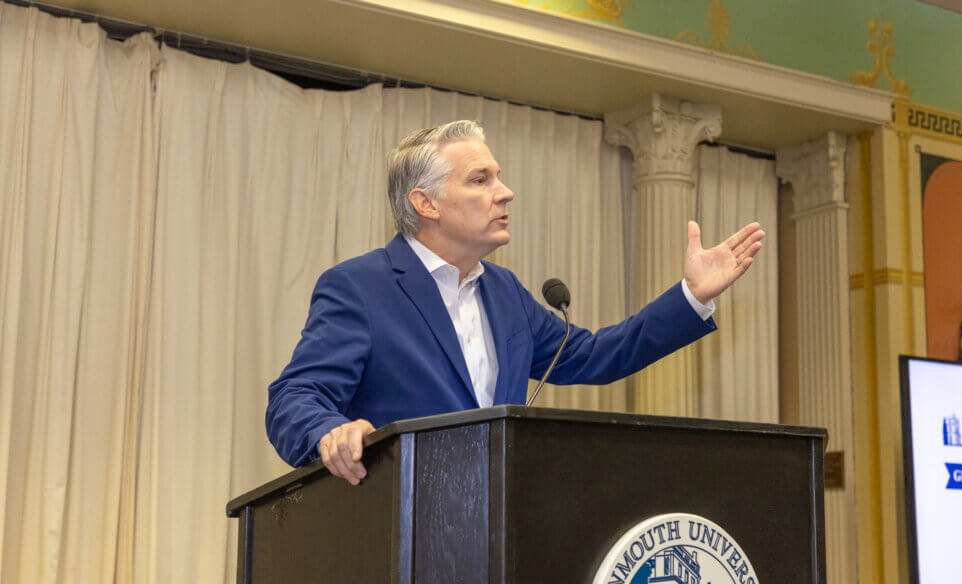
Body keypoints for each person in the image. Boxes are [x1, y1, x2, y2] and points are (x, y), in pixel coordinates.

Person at [266, 120, 763, 484]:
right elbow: (293, 398)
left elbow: (595, 355)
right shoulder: (360, 287)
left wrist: (690, 298)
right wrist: (331, 432)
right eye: (480, 180)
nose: (506, 193)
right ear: (426, 203)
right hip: (399, 531)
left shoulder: (505, 293)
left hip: (501, 524)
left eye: (497, 177)